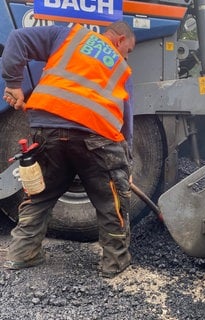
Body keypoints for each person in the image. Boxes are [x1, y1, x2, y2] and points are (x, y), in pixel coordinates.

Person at [1, 21, 136, 278]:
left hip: (47, 128)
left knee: (41, 193)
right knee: (111, 200)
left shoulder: (69, 34)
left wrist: (14, 83)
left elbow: (17, 38)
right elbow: (126, 119)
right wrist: (126, 164)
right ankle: (114, 262)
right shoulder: (121, 68)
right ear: (119, 40)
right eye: (127, 50)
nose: (125, 56)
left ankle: (21, 253)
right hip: (96, 136)